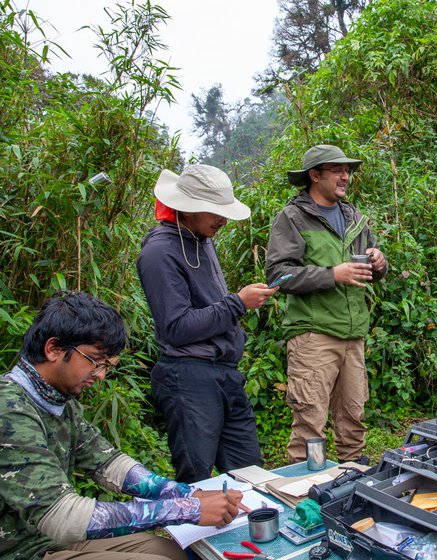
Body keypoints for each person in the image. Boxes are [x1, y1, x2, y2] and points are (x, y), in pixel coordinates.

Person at [0, 291, 245, 560]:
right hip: (20, 550)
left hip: (48, 540)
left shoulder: (59, 400)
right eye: (94, 361)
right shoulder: (9, 409)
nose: (101, 374)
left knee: (176, 553)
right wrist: (187, 509)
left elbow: (110, 465)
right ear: (54, 349)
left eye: (106, 364)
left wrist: (190, 493)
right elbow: (63, 517)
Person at [136, 164, 277, 483]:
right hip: (188, 378)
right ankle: (193, 533)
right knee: (197, 475)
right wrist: (238, 303)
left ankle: (249, 530)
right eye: (214, 211)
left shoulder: (201, 239)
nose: (222, 219)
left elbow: (208, 306)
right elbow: (176, 327)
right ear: (187, 207)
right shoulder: (159, 253)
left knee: (250, 472)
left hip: (225, 374)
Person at [266, 144, 387, 463]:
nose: (345, 176)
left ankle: (352, 486)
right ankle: (307, 493)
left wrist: (379, 263)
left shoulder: (354, 217)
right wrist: (333, 274)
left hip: (353, 334)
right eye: (337, 170)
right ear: (314, 175)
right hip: (313, 336)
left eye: (347, 170)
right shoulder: (292, 218)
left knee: (353, 418)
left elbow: (370, 272)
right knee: (310, 424)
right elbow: (279, 276)